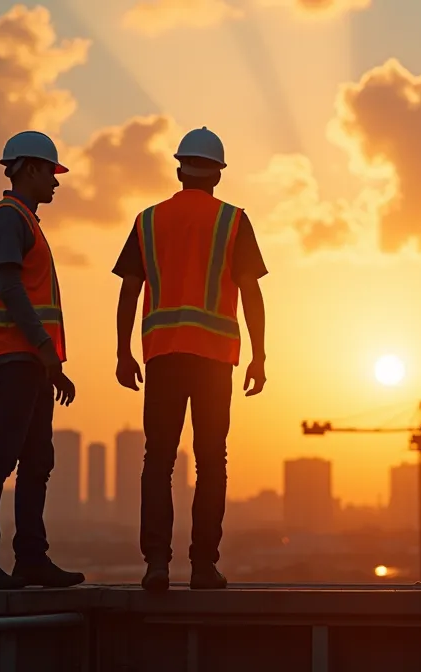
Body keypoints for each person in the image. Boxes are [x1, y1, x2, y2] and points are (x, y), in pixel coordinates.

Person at [111, 127, 268, 592]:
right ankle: (203, 566)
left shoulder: (148, 220)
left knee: (157, 459)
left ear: (179, 168)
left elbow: (128, 289)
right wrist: (260, 356)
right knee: (211, 461)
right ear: (217, 174)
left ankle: (156, 564)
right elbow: (251, 291)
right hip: (215, 359)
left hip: (162, 355)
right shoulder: (233, 221)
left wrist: (123, 352)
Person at [0, 130, 85, 590]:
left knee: (37, 458)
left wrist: (50, 362)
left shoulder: (25, 222)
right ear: (29, 168)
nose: (56, 182)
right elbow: (11, 289)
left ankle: (31, 557)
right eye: (51, 173)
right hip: (11, 355)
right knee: (3, 456)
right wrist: (46, 353)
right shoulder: (9, 219)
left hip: (27, 358)